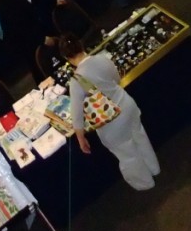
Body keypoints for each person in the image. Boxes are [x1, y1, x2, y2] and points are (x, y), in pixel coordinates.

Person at [60, 35, 160, 190]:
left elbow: (77, 113)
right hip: (127, 106)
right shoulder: (102, 59)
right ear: (81, 45)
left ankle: (145, 183)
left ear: (67, 57)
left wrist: (80, 138)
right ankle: (154, 168)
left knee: (128, 154)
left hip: (111, 122)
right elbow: (117, 79)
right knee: (140, 136)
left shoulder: (76, 81)